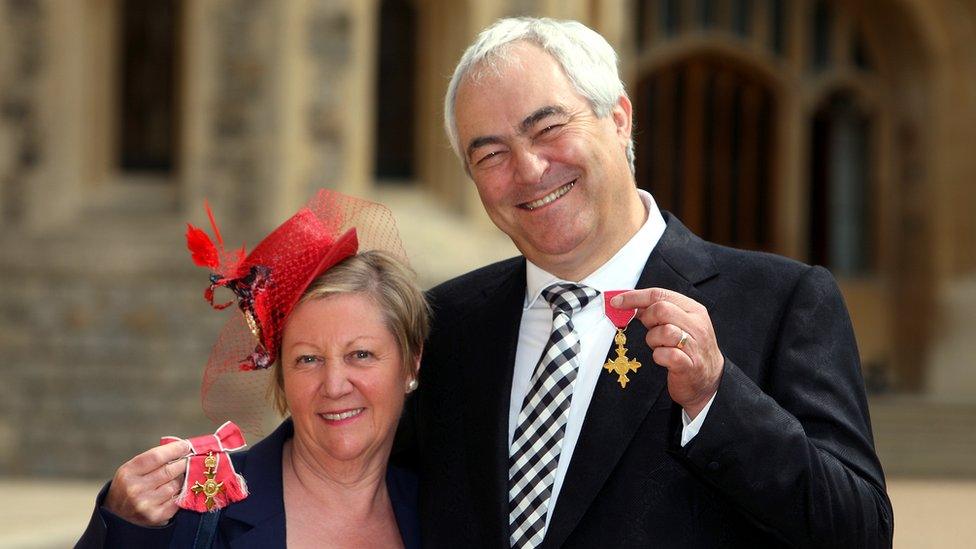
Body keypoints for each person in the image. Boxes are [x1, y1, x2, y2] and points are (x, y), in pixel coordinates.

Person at [394, 17, 894, 548]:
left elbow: (859, 532)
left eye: (548, 129)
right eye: (490, 154)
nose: (530, 167)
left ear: (618, 118)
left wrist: (715, 398)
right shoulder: (443, 326)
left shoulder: (781, 304)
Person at [78, 190, 427, 548]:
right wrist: (122, 527)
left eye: (361, 354)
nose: (335, 385)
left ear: (411, 361)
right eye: (308, 359)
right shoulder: (197, 508)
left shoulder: (446, 510)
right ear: (282, 376)